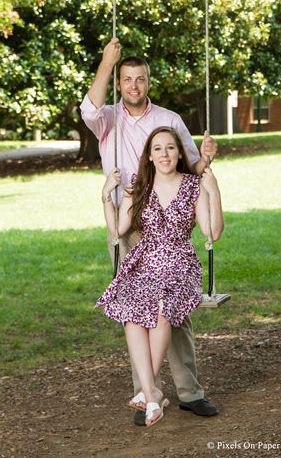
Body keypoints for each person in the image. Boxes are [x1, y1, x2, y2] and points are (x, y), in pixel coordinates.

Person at [81, 38, 220, 425]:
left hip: (169, 224)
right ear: (120, 83)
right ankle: (147, 390)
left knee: (175, 311)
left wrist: (206, 159)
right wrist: (106, 64)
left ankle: (189, 392)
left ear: (148, 83)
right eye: (126, 79)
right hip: (130, 223)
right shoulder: (107, 118)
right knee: (136, 308)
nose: (133, 86)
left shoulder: (170, 120)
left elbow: (192, 167)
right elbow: (88, 106)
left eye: (140, 79)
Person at [95, 126, 224, 425]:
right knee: (129, 306)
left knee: (161, 308)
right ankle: (151, 392)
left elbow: (212, 232)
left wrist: (214, 191)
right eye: (157, 149)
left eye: (170, 148)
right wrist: (106, 195)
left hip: (180, 263)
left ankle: (149, 393)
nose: (164, 154)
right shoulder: (138, 186)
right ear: (149, 157)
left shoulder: (194, 185)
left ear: (180, 153)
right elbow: (118, 231)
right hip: (145, 262)